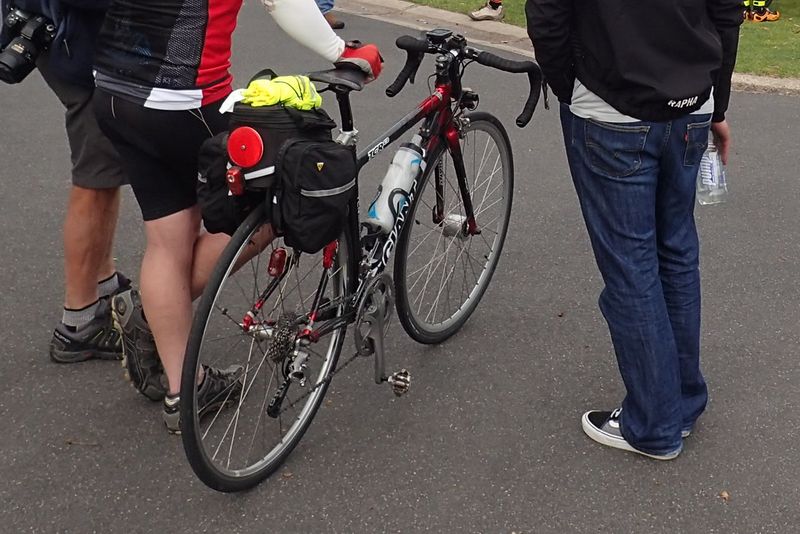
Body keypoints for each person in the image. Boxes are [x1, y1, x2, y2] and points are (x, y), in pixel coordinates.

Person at [91, 0, 382, 433]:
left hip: (114, 88)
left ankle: (183, 388)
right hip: (183, 98)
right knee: (270, 212)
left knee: (167, 241)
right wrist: (342, 51)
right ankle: (155, 318)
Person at [527, 0, 742, 459]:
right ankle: (679, 407)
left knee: (635, 268)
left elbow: (547, 18)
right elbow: (726, 14)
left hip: (612, 110)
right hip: (689, 104)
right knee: (675, 254)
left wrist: (574, 91)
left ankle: (655, 424)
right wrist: (716, 104)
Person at [0, 0, 132, 365]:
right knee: (93, 177)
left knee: (105, 173)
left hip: (62, 32)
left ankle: (102, 280)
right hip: (76, 42)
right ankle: (78, 321)